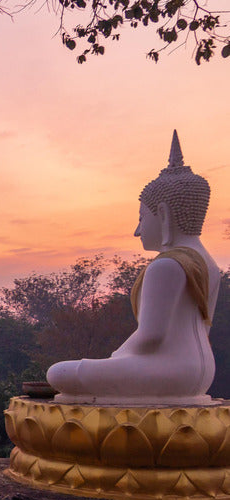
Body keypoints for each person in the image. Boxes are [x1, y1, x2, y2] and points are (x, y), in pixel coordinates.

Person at [47, 131, 219, 405]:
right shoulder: (210, 265)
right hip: (202, 372)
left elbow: (150, 337)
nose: (137, 230)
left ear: (162, 214)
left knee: (59, 373)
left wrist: (116, 357)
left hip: (166, 372)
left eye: (142, 217)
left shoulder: (166, 266)